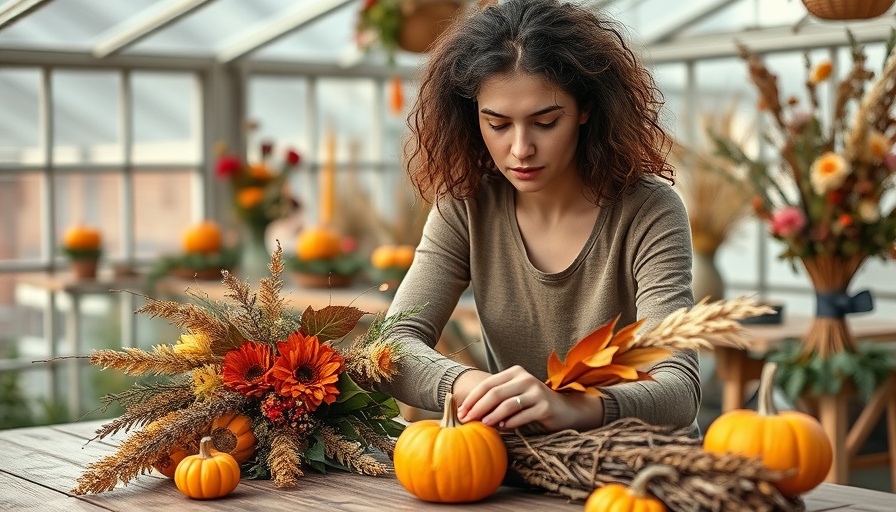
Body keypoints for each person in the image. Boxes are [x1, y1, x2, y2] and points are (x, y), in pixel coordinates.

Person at [378, 0, 699, 436]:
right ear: (473, 116)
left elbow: (679, 388)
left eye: (545, 122)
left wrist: (573, 407)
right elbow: (391, 347)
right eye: (498, 124)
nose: (520, 149)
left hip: (636, 474)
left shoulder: (649, 211)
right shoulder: (465, 206)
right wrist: (474, 387)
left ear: (585, 109)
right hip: (524, 473)